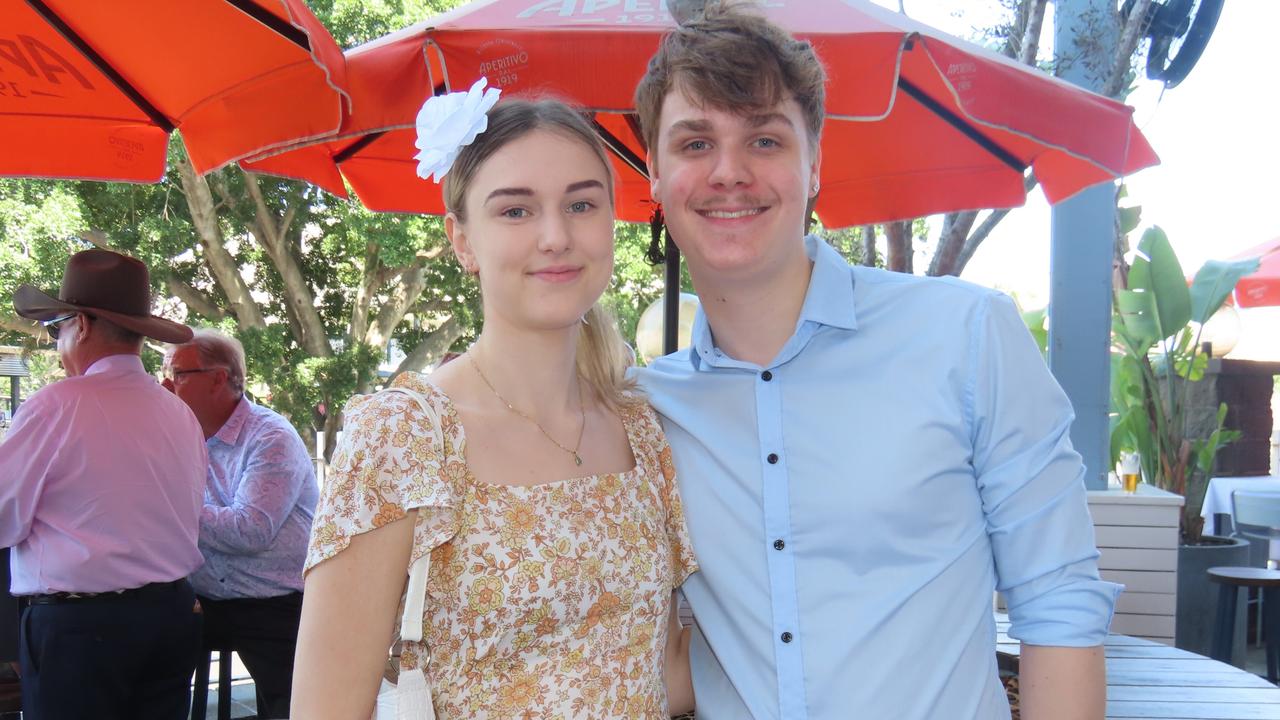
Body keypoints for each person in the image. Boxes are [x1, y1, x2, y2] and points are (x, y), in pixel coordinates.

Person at [632, 3, 1121, 719]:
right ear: (654, 170)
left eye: (765, 140)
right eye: (695, 143)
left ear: (815, 164)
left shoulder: (966, 335)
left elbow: (1060, 605)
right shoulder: (644, 412)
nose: (729, 172)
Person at [292, 94, 698, 719]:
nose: (556, 236)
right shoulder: (405, 436)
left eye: (581, 205)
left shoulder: (641, 427)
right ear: (462, 240)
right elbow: (326, 708)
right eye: (515, 210)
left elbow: (663, 666)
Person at [0, 248, 207, 719]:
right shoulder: (177, 411)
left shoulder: (57, 405)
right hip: (171, 614)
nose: (57, 342)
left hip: (82, 628)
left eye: (58, 328)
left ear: (83, 325)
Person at [164, 328, 317, 719]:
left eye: (179, 374)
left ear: (219, 378)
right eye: (165, 372)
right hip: (203, 599)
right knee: (135, 652)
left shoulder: (270, 436)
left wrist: (166, 505)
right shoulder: (178, 435)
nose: (166, 384)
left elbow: (250, 530)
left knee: (295, 709)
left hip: (275, 602)